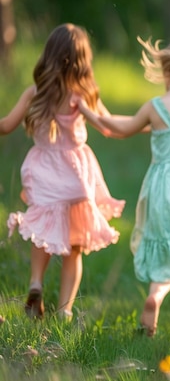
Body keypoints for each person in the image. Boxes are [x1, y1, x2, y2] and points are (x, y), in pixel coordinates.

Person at [78, 36, 170, 336]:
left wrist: (88, 112)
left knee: (168, 249)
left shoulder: (154, 107)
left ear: (166, 72)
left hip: (159, 188)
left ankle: (156, 294)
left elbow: (119, 128)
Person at [2, 23, 125, 320]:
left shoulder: (35, 93)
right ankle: (65, 310)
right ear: (83, 60)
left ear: (48, 56)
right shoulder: (82, 95)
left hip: (42, 172)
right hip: (75, 176)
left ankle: (35, 283)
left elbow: (5, 126)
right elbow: (110, 127)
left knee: (40, 233)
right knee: (74, 247)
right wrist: (147, 121)